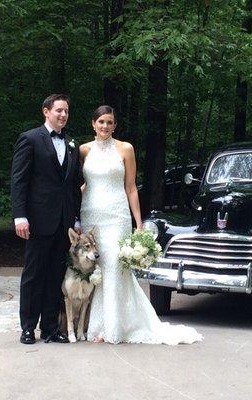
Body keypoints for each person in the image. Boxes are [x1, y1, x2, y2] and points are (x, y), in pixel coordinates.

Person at [80, 105, 202, 345]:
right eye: (101, 122)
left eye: (110, 122)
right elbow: (80, 183)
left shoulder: (125, 149)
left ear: (115, 125)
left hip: (117, 215)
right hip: (91, 214)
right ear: (93, 124)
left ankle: (112, 329)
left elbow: (131, 187)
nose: (105, 126)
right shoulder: (84, 150)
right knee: (98, 271)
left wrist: (139, 222)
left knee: (115, 266)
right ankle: (95, 325)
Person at [11, 94, 82, 344]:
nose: (63, 115)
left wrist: (76, 219)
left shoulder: (73, 143)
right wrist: (20, 216)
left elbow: (73, 186)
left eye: (66, 111)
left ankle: (50, 328)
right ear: (46, 112)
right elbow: (19, 180)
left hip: (63, 222)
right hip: (38, 219)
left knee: (55, 276)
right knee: (34, 275)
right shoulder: (30, 139)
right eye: (59, 110)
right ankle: (28, 327)